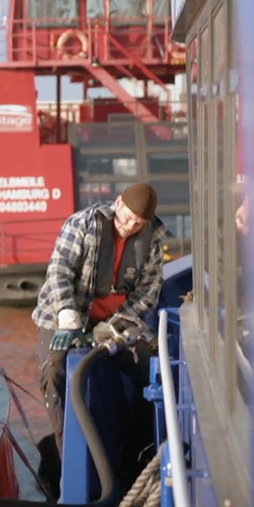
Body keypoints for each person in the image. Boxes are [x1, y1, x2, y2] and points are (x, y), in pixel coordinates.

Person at [32, 183, 168, 456]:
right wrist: (68, 316)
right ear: (117, 203)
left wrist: (114, 323)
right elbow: (59, 271)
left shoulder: (152, 240)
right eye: (127, 217)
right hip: (62, 317)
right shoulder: (82, 224)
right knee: (55, 370)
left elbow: (148, 292)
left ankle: (139, 452)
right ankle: (64, 453)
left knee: (148, 369)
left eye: (138, 223)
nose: (130, 226)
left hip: (113, 322)